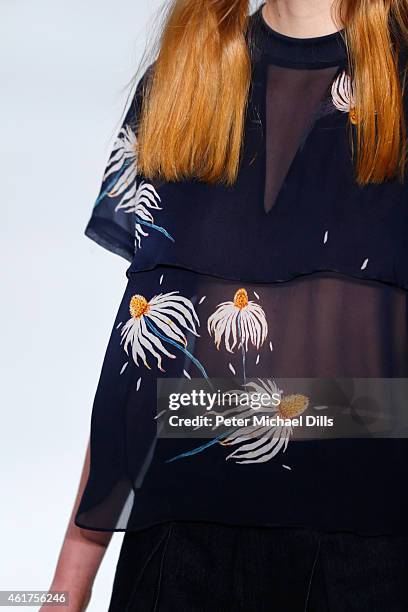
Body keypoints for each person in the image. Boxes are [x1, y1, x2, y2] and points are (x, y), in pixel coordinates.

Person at [45, 1, 408, 610]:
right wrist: (65, 589)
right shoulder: (187, 75)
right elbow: (144, 354)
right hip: (178, 551)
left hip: (370, 555)